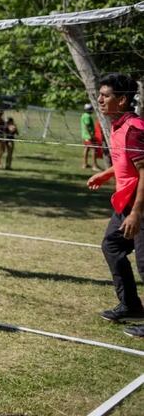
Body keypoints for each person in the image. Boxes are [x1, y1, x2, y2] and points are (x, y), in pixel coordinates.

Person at [85, 74, 144, 336]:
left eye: (105, 95)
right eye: (100, 94)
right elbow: (125, 161)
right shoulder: (117, 125)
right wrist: (106, 174)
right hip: (126, 204)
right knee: (112, 244)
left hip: (139, 207)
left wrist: (136, 213)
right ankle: (131, 304)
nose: (99, 99)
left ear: (122, 100)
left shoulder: (134, 129)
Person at [82, 104, 103, 170]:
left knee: (86, 149)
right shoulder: (88, 116)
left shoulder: (83, 115)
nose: (92, 110)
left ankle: (85, 164)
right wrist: (91, 135)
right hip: (89, 136)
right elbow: (87, 126)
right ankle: (94, 165)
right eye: (91, 109)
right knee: (94, 149)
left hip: (85, 135)